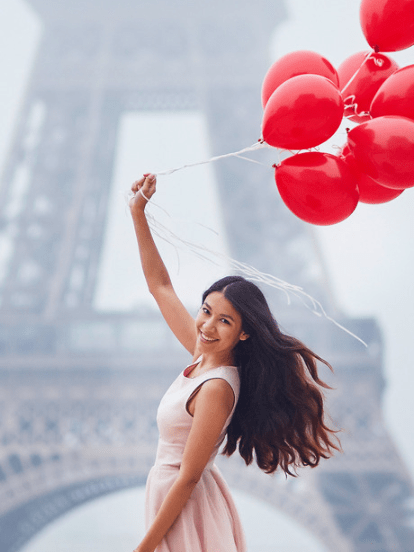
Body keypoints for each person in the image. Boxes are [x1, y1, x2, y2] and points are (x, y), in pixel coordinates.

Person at [129, 173, 340, 552]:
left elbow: (189, 478)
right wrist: (138, 213)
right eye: (206, 311)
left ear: (244, 332)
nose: (208, 326)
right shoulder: (202, 356)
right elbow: (160, 286)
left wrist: (144, 547)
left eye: (224, 321)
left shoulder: (216, 387)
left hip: (182, 504)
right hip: (172, 496)